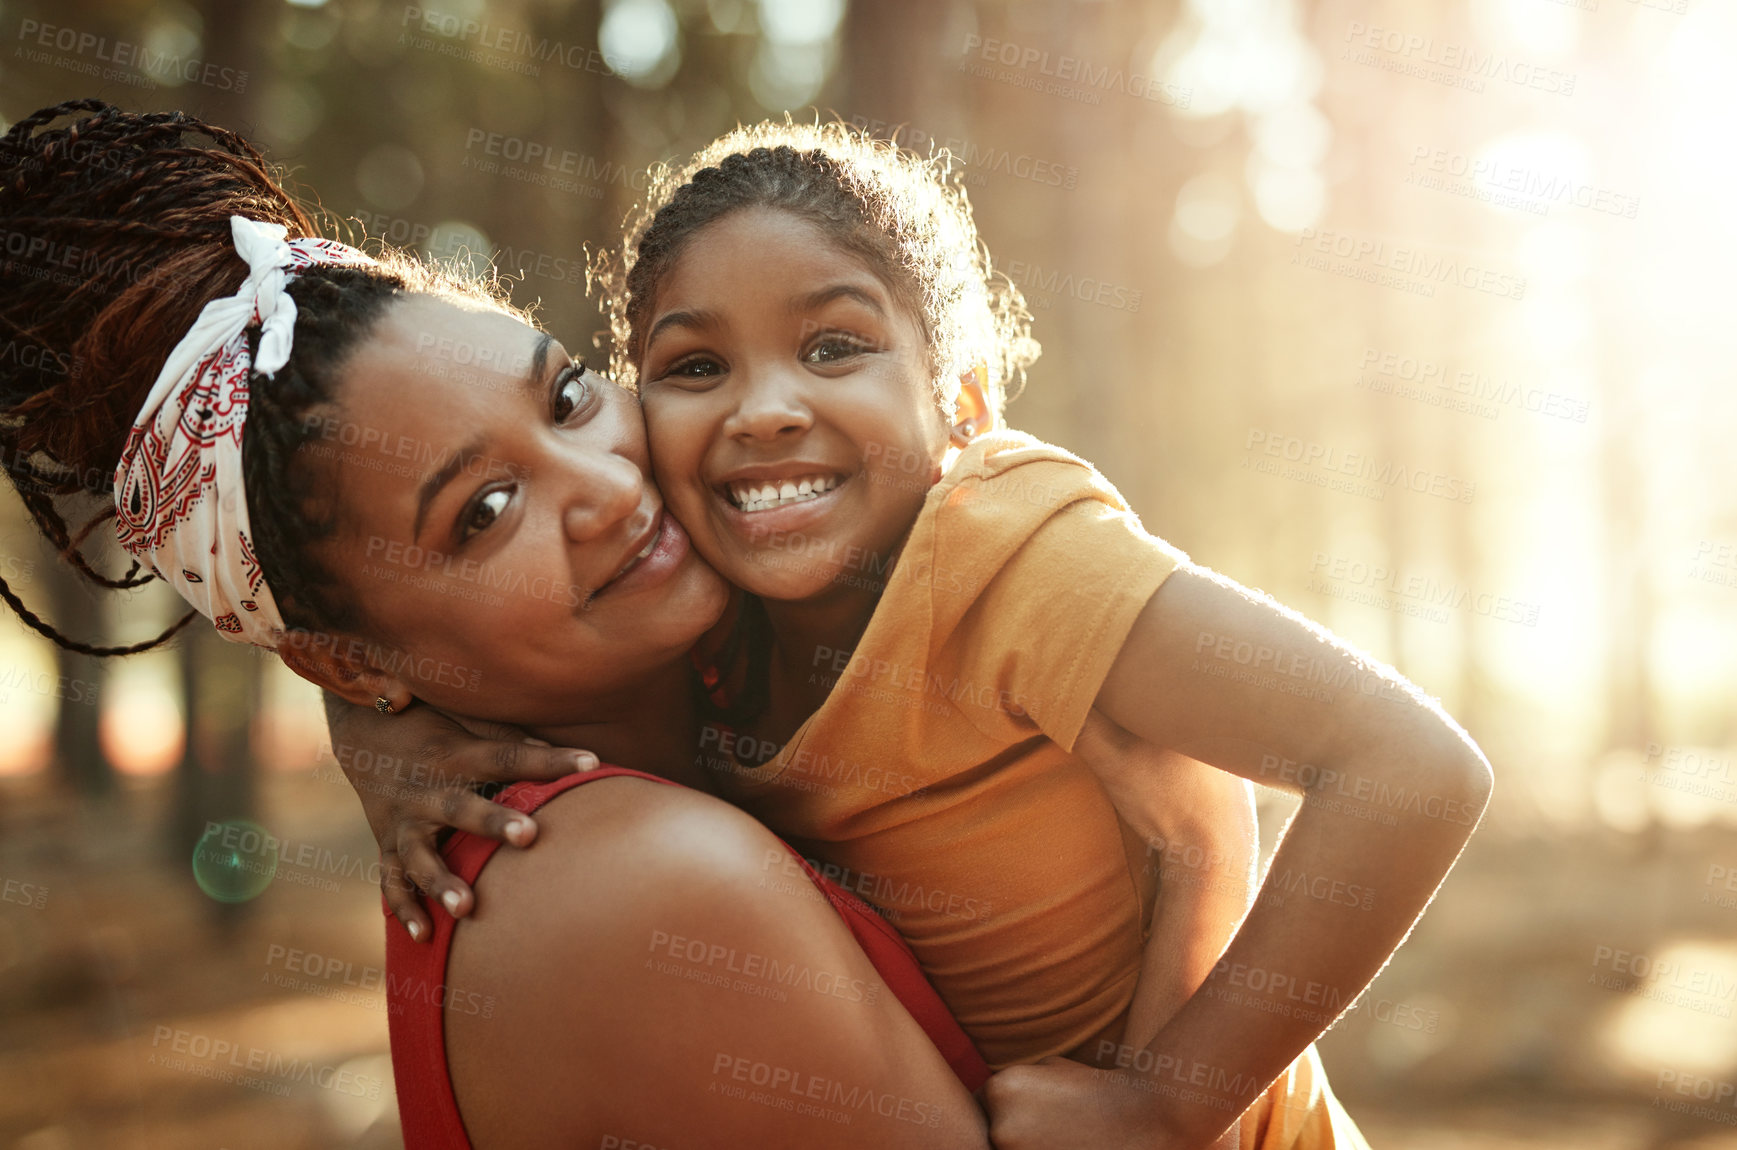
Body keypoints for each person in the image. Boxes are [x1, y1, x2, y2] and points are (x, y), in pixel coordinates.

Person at [339, 123, 1492, 1147]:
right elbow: (360, 606)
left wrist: (1168, 1105)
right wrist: (375, 744)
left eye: (834, 346)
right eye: (695, 367)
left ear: (966, 399)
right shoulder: (706, 596)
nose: (764, 408)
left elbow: (1409, 768)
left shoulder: (1013, 558)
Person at [0, 99, 995, 1149]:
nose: (607, 489)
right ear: (343, 660)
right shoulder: (655, 882)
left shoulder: (729, 684)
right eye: (483, 511)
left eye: (567, 397)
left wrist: (370, 722)